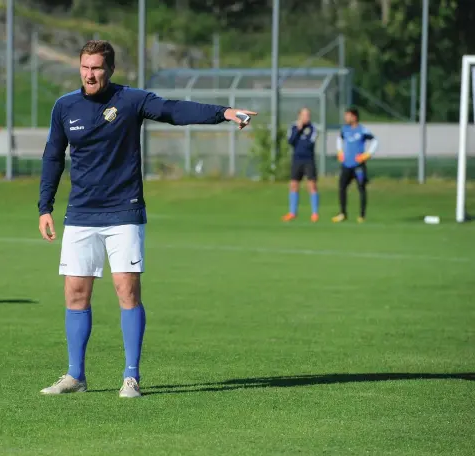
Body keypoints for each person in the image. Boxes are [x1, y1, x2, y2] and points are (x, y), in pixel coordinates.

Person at [37, 40, 256, 398]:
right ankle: (75, 376)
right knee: (75, 294)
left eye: (97, 68)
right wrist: (45, 206)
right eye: (85, 67)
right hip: (80, 215)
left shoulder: (131, 100)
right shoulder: (65, 107)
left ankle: (131, 377)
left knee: (127, 289)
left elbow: (173, 110)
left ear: (110, 70)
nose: (90, 74)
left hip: (124, 211)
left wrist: (225, 112)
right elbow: (52, 158)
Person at [332, 106, 379, 223]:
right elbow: (339, 139)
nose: (345, 118)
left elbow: (375, 140)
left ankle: (362, 215)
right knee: (342, 187)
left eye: (348, 115)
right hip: (346, 164)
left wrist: (367, 154)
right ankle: (342, 213)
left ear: (354, 117)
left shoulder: (362, 130)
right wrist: (339, 151)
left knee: (361, 188)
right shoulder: (345, 129)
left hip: (358, 166)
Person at [283, 107, 319, 222]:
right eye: (304, 115)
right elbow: (291, 141)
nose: (307, 117)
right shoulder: (293, 127)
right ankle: (292, 212)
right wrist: (298, 130)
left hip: (309, 160)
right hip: (296, 160)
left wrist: (302, 134)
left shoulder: (313, 128)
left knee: (312, 185)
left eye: (308, 115)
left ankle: (314, 213)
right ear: (299, 115)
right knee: (294, 185)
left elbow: (309, 143)